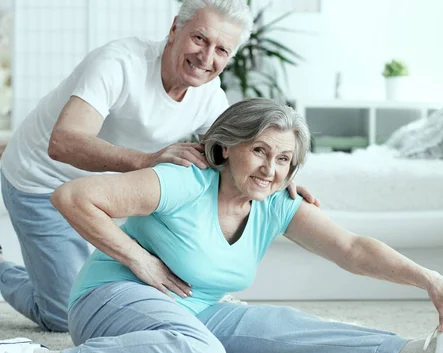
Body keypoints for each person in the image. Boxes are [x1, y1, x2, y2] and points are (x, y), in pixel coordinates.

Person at [0, 98, 443, 353]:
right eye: (259, 151)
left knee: (283, 328)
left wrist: (435, 282)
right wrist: (139, 259)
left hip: (194, 307)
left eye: (284, 159)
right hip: (113, 301)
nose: (270, 168)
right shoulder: (183, 181)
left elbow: (353, 249)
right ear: (227, 147)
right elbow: (73, 196)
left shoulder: (276, 203)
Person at [0, 0, 316, 332]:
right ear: (174, 30)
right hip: (41, 179)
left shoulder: (210, 97)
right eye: (199, 39)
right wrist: (146, 161)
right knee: (63, 315)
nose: (207, 58)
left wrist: (277, 178)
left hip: (113, 192)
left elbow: (230, 162)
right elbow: (63, 142)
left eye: (222, 50)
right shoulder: (119, 63)